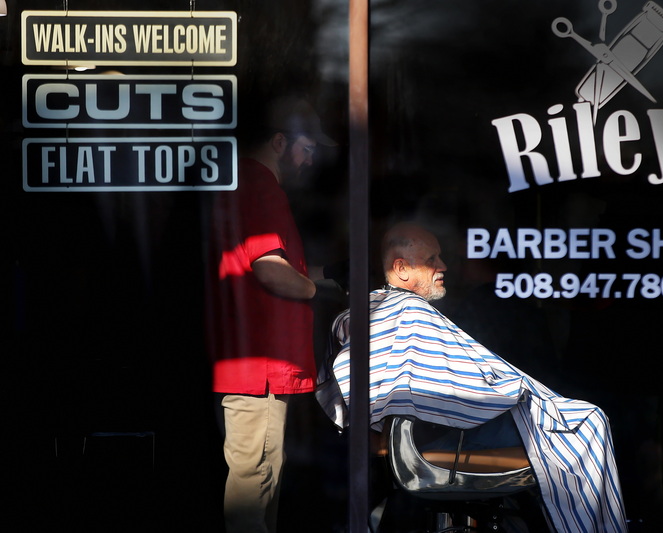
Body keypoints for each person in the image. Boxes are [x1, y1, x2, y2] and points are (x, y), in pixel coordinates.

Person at [317, 222, 628, 533]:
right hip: (439, 444)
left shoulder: (366, 311)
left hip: (427, 437)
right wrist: (516, 389)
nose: (444, 266)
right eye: (432, 259)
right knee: (588, 421)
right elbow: (468, 388)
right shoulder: (408, 310)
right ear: (402, 268)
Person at [205, 96, 337, 533]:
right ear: (279, 142)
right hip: (259, 367)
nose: (311, 157)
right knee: (254, 482)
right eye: (307, 146)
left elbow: (278, 267)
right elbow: (272, 272)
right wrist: (316, 287)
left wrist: (335, 274)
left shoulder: (242, 183)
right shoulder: (261, 186)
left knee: (258, 478)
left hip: (253, 362)